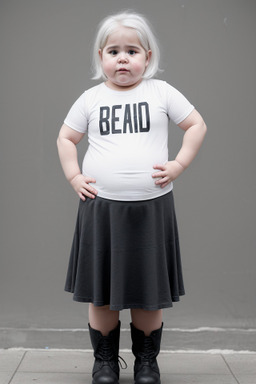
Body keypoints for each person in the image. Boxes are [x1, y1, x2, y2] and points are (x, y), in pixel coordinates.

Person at [57, 10, 207, 384]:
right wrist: (74, 175)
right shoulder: (90, 99)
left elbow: (196, 125)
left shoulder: (161, 92)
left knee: (148, 293)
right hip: (101, 210)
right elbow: (65, 138)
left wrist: (179, 165)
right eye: (113, 51)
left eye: (132, 51)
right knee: (102, 294)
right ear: (100, 57)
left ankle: (146, 362)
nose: (122, 58)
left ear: (148, 57)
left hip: (151, 210)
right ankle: (105, 361)